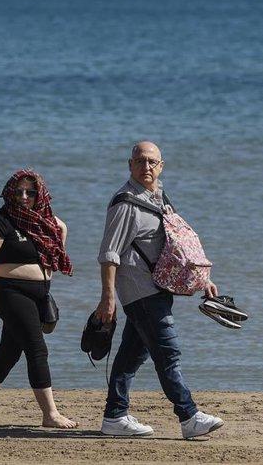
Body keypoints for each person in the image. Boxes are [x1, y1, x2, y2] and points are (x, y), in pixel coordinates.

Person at [95, 141, 225, 439]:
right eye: (140, 161)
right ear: (130, 165)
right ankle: (189, 416)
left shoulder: (159, 197)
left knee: (131, 355)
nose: (147, 167)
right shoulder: (125, 203)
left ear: (161, 165)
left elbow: (177, 245)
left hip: (158, 287)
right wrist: (107, 297)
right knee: (168, 353)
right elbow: (108, 254)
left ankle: (114, 417)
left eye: (152, 162)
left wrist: (202, 279)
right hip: (140, 291)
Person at [0, 169, 77, 429]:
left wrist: (45, 290)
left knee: (8, 354)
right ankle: (50, 414)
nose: (24, 197)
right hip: (10, 292)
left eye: (31, 192)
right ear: (9, 193)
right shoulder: (0, 221)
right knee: (37, 349)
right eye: (18, 191)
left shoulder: (52, 224)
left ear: (41, 194)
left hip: (40, 295)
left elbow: (55, 260)